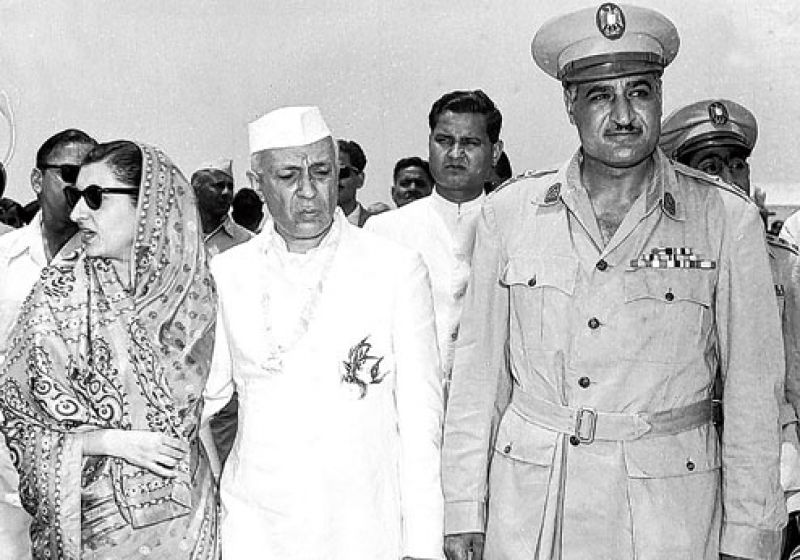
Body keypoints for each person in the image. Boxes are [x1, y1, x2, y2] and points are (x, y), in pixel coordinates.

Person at [442, 5, 785, 560]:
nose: (624, 115)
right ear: (570, 104)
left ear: (660, 97)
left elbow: (753, 394)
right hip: (535, 512)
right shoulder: (511, 215)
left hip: (669, 520)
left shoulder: (725, 220)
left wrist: (750, 536)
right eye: (601, 95)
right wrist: (463, 510)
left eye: (640, 92)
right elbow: (478, 380)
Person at [203, 106, 443, 559]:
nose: (309, 191)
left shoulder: (394, 269)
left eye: (321, 171)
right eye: (288, 176)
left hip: (364, 530)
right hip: (257, 531)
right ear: (257, 183)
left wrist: (423, 547)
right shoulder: (228, 273)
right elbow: (198, 404)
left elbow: (420, 422)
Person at [0, 140, 220, 558]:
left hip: (188, 523)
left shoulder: (194, 295)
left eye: (95, 197)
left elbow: (201, 418)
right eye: (76, 196)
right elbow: (20, 418)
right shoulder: (57, 301)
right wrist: (110, 441)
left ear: (149, 204)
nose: (78, 212)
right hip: (94, 529)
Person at [661, 98, 800, 557]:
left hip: (771, 465)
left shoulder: (783, 264)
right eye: (711, 166)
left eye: (737, 164)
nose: (728, 178)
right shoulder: (661, 264)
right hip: (679, 463)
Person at [0, 128, 96, 560]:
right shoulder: (5, 258)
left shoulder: (107, 263)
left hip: (83, 460)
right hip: (7, 461)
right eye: (70, 173)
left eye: (91, 177)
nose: (80, 187)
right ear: (37, 180)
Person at [367, 90, 503, 386]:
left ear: (495, 152)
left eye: (470, 143)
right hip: (405, 395)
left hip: (485, 398)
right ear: (430, 143)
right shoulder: (384, 231)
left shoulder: (512, 228)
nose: (455, 154)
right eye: (444, 140)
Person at [193, 158, 253, 258]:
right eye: (219, 186)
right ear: (197, 190)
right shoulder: (178, 234)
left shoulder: (247, 241)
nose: (226, 192)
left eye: (230, 187)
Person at [336, 138, 374, 226]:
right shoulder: (306, 227)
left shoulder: (377, 226)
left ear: (360, 179)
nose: (334, 180)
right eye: (324, 173)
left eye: (341, 173)